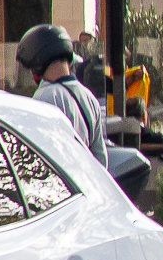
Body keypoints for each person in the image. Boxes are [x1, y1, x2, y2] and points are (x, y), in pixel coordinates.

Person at [16, 25, 107, 162]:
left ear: (37, 60)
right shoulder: (89, 96)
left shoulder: (45, 97)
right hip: (82, 181)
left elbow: (40, 156)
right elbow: (100, 158)